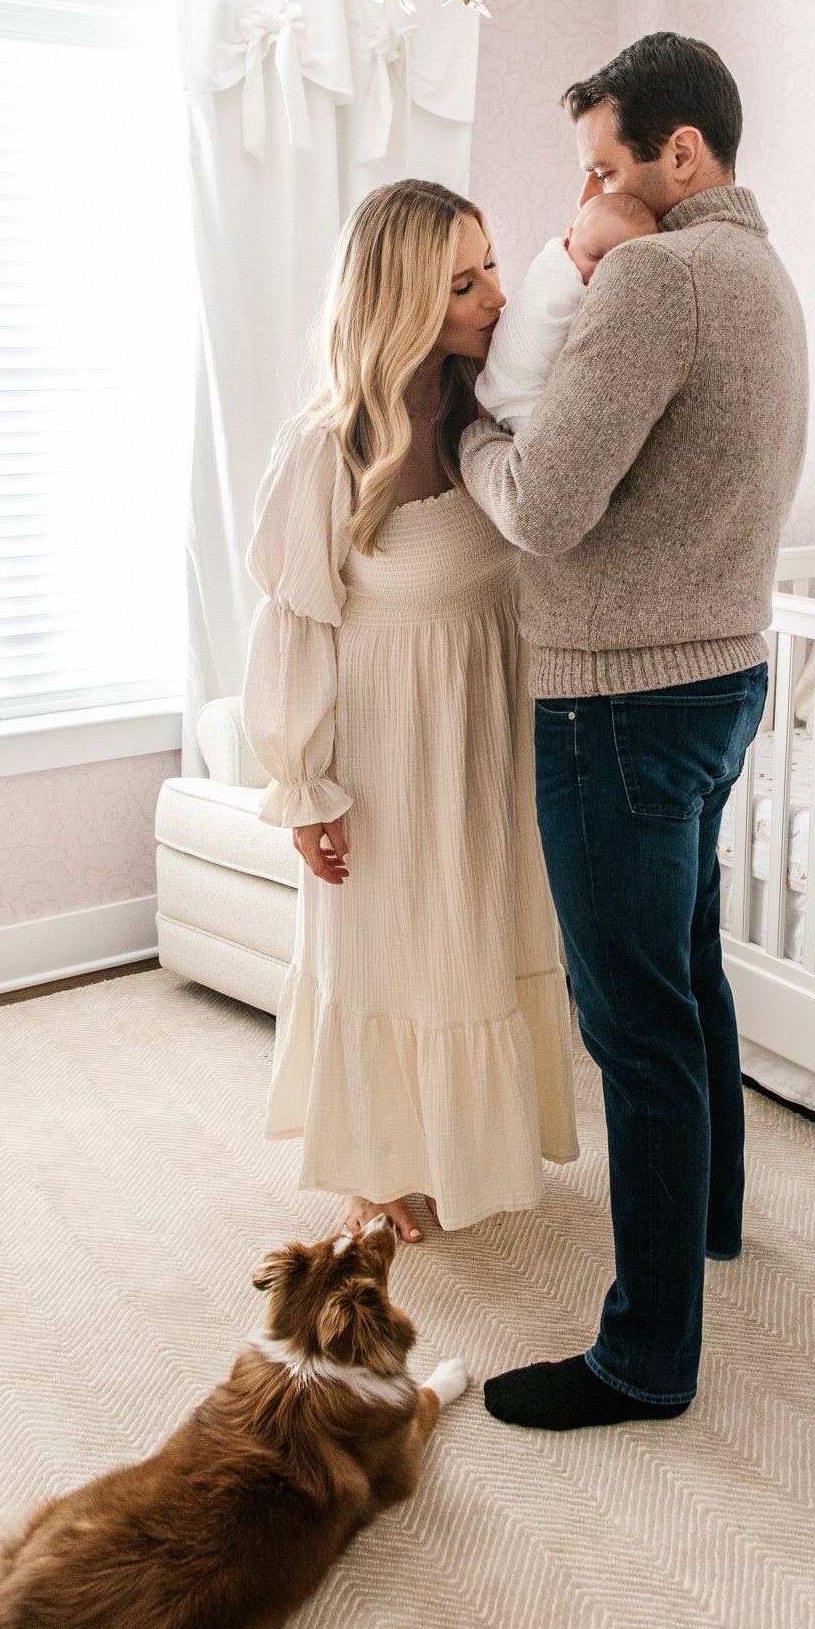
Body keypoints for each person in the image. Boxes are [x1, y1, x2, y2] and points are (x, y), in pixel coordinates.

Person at [459, 31, 809, 1429]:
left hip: (617, 697)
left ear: (683, 156)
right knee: (688, 980)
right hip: (722, 682)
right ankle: (709, 1224)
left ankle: (643, 1355)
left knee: (636, 1027)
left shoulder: (659, 280)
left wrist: (468, 448)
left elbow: (544, 506)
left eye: (609, 165)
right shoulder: (766, 274)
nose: (589, 196)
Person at [241, 179, 578, 1246]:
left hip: (491, 742)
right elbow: (294, 628)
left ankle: (467, 1146)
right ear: (400, 301)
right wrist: (305, 784)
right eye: (464, 282)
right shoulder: (326, 448)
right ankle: (379, 1161)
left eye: (492, 266)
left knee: (479, 944)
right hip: (386, 760)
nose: (496, 297)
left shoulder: (497, 411)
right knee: (390, 956)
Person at [476, 193, 657, 436]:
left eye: (620, 265)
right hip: (519, 392)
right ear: (569, 238)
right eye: (593, 256)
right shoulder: (556, 275)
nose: (601, 271)